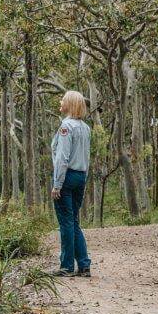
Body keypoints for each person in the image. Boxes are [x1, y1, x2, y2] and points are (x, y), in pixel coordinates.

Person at [51, 90, 91, 277]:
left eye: (64, 99)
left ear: (71, 104)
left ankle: (66, 266)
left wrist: (57, 184)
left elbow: (62, 157)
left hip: (66, 177)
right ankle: (83, 265)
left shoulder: (66, 126)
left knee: (66, 222)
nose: (61, 101)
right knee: (73, 221)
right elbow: (86, 157)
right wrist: (84, 177)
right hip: (80, 176)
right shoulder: (85, 128)